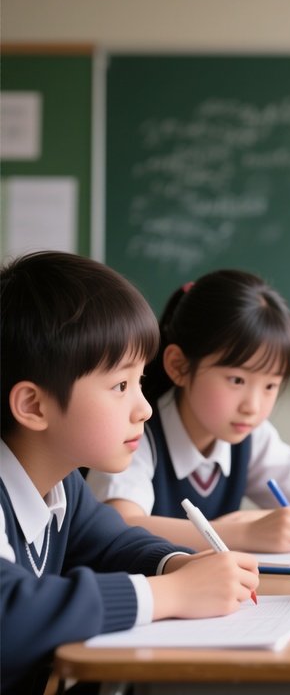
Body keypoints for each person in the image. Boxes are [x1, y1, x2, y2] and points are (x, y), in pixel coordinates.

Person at [0, 251, 260, 695]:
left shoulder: (61, 484)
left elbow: (113, 544)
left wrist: (179, 564)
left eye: (140, 382)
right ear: (34, 406)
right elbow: (10, 614)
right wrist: (173, 593)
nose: (143, 409)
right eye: (121, 385)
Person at [88, 269, 290, 553]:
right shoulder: (136, 433)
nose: (252, 406)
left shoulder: (251, 436)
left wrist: (263, 521)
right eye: (237, 380)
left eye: (270, 386)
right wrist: (244, 533)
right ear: (179, 366)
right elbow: (122, 525)